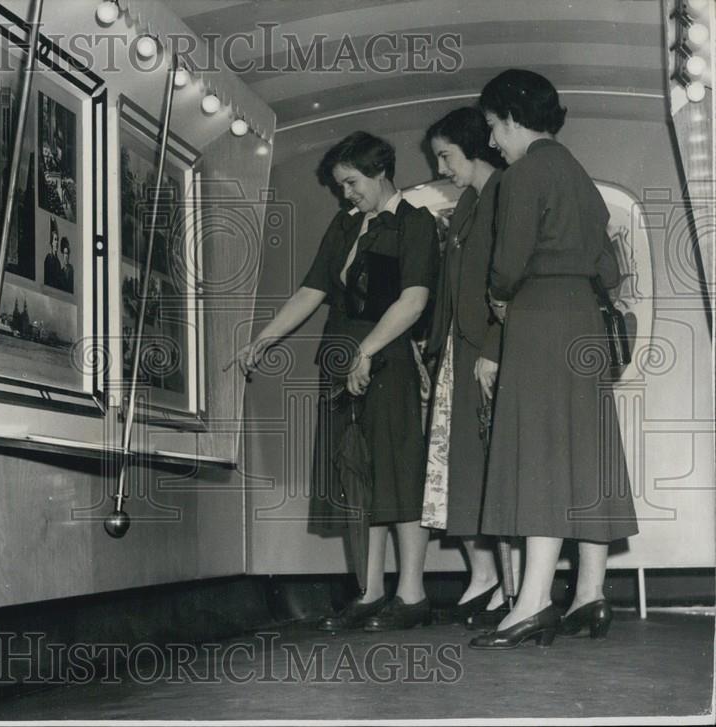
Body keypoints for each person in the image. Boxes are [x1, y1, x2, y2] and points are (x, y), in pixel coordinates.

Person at [231, 131, 438, 631]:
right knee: (354, 476)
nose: (346, 193)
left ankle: (412, 595)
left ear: (380, 172)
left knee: (397, 473)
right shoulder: (345, 225)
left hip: (386, 359)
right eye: (341, 185)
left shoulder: (415, 223)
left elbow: (413, 300)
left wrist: (367, 351)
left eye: (351, 182)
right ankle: (370, 592)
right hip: (340, 358)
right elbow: (312, 290)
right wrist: (264, 339)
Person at [469, 69, 638, 649]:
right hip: (583, 319)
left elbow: (507, 267)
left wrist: (499, 295)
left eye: (494, 127)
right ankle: (590, 593)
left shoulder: (522, 175)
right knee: (585, 453)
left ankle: (533, 601)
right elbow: (609, 269)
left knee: (539, 451)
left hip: (539, 317)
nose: (493, 141)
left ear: (513, 119)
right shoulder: (579, 176)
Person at [421, 107, 510, 628]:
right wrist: (434, 349)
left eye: (446, 156)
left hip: (488, 350)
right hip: (460, 351)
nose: (441, 167)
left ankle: (507, 585)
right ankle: (486, 576)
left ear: (474, 147)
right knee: (464, 470)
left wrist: (494, 346)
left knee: (489, 467)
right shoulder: (468, 205)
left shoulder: (503, 196)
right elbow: (451, 291)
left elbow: (508, 287)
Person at [43, 217, 64, 289]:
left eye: (57, 240)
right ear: (52, 242)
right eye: (55, 240)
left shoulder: (58, 262)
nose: (57, 242)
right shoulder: (49, 258)